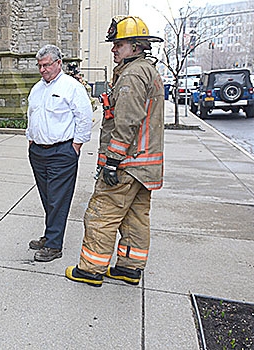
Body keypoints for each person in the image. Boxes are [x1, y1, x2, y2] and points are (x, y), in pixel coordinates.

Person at [66, 16, 164, 286]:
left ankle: (90, 269)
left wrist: (112, 160)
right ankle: (129, 268)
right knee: (135, 218)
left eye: (118, 44)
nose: (113, 49)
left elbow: (127, 120)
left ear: (135, 46)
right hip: (144, 167)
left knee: (101, 214)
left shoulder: (132, 75)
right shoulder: (146, 70)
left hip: (126, 165)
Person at [26, 44, 93, 262]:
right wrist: (30, 141)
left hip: (62, 152)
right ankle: (50, 235)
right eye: (39, 66)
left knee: (58, 199)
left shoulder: (71, 87)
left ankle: (54, 245)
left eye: (46, 65)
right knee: (47, 197)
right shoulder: (36, 89)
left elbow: (84, 118)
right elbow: (31, 116)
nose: (42, 69)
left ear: (58, 63)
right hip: (38, 152)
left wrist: (76, 147)